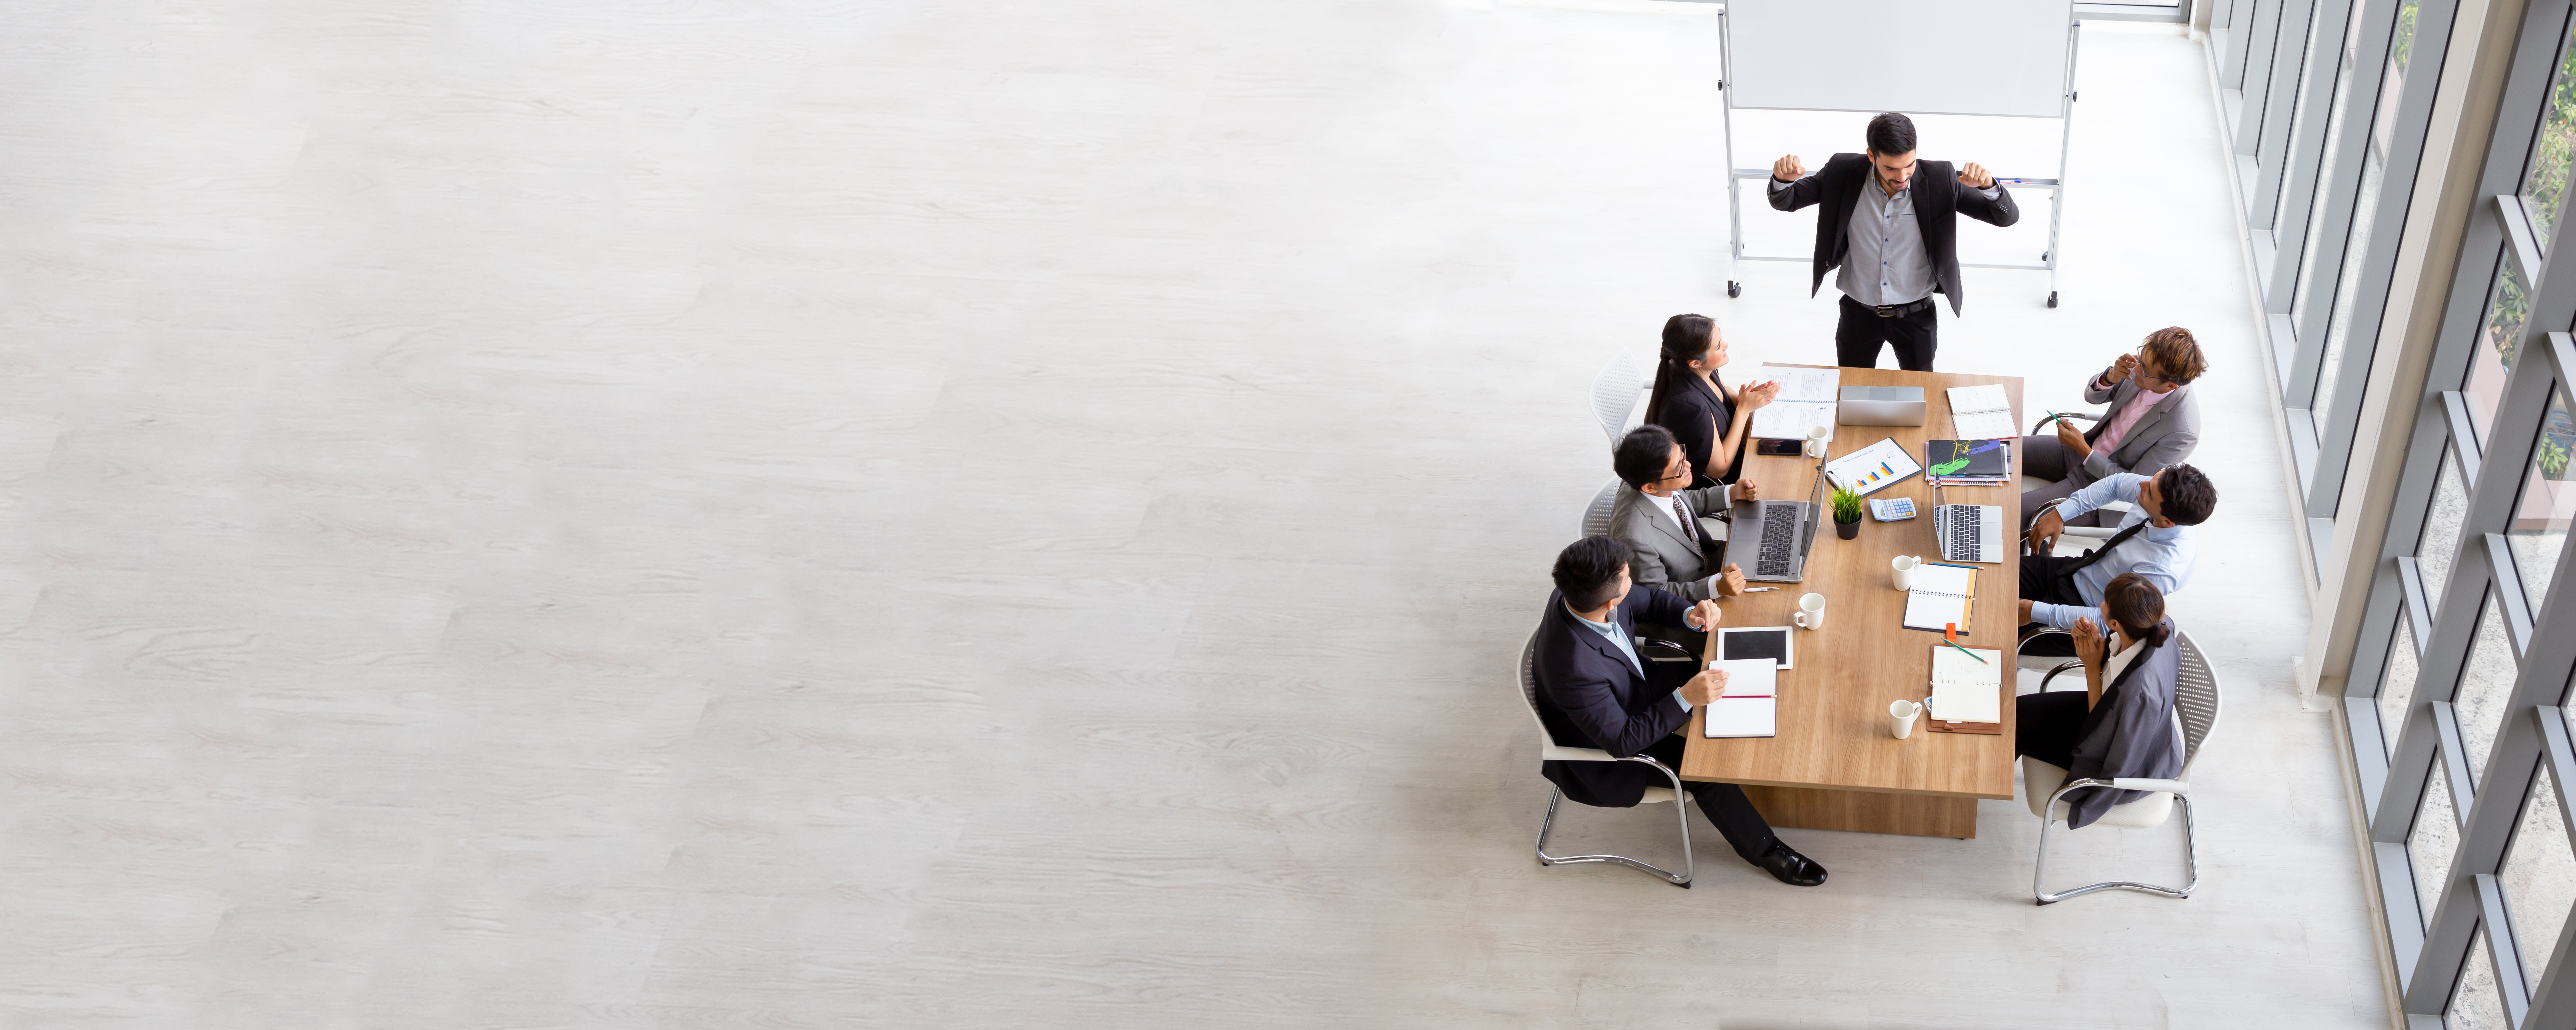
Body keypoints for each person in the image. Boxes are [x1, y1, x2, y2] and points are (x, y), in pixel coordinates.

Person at [1533, 536, 1827, 886]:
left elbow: (1651, 601)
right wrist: (1686, 698)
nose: (1633, 581)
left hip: (1631, 688)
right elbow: (1623, 742)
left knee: (1725, 665)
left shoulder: (1584, 593)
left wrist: (1688, 614)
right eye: (1628, 578)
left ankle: (1765, 741)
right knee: (1703, 772)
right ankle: (1766, 852)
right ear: (1612, 601)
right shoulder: (1573, 669)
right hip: (1608, 750)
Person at [1766, 111, 2021, 371]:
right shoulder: (1843, 171)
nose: (1902, 176)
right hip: (1858, 314)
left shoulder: (1941, 178)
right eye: (1890, 168)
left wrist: (1989, 186)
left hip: (1916, 317)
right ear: (1871, 156)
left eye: (1909, 165)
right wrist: (1782, 181)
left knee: (1919, 393)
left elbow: (2006, 218)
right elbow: (1787, 200)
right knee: (1854, 390)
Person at [2013, 573, 2187, 829]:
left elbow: (2101, 737)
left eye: (2104, 603)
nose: (2100, 605)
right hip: (2119, 724)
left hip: (2121, 768)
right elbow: (2107, 714)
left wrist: (2092, 668)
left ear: (2115, 623)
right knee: (2017, 714)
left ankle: (1970, 788)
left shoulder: (2138, 694)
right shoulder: (2155, 626)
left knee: (2022, 733)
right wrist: (2100, 651)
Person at [2018, 465, 2217, 656]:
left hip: (2086, 617)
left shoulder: (2161, 570)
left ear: (2168, 522)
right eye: (2152, 479)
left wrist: (2036, 612)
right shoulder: (2158, 491)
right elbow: (2116, 484)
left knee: (1994, 627)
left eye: (2149, 493)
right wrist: (2062, 513)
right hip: (2080, 571)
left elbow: (2110, 620)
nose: (2142, 485)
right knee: (1997, 572)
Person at [2021, 328, 2208, 524]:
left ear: (2170, 386)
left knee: (2012, 510)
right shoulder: (2147, 372)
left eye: (2144, 370)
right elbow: (2093, 397)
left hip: (2101, 488)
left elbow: (2134, 485)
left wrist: (2085, 451)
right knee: (2004, 448)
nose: (2136, 369)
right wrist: (2109, 377)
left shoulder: (2183, 431)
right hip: (2078, 451)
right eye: (2141, 359)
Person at [1608, 425, 1752, 610]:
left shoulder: (1658, 480)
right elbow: (1658, 595)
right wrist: (1717, 587)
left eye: (1683, 455)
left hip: (1713, 561)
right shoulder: (1634, 538)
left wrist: (1732, 493)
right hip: (1694, 605)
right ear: (1650, 487)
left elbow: (1682, 502)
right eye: (1679, 467)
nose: (1688, 466)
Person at [1642, 313, 1777, 488]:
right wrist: (1744, 409)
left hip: (1734, 449)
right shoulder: (1691, 406)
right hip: (1715, 481)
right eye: (1719, 347)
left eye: (1721, 339)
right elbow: (1720, 470)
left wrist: (1745, 399)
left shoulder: (1699, 367)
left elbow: (1722, 391)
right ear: (1695, 363)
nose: (1726, 346)